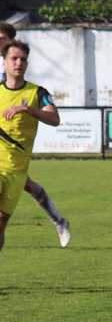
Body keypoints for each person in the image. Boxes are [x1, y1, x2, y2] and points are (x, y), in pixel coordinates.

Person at [0, 26, 70, 247]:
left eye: (22, 59)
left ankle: (59, 220)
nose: (18, 63)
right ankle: (58, 220)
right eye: (14, 59)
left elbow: (54, 119)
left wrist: (28, 110)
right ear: (5, 62)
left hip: (16, 168)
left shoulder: (38, 93)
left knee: (1, 223)